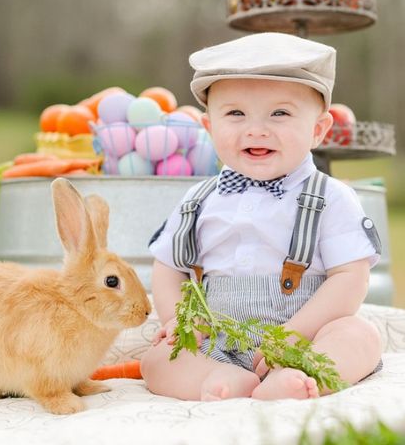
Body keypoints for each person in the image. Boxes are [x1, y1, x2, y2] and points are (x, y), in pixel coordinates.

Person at [141, 32, 382, 401]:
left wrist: (294, 335)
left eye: (280, 113)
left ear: (318, 129)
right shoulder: (197, 200)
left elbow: (351, 277)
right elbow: (168, 267)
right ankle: (218, 379)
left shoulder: (332, 197)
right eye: (235, 113)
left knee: (359, 335)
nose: (256, 129)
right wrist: (180, 320)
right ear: (209, 127)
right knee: (156, 360)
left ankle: (298, 378)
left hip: (303, 338)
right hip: (217, 340)